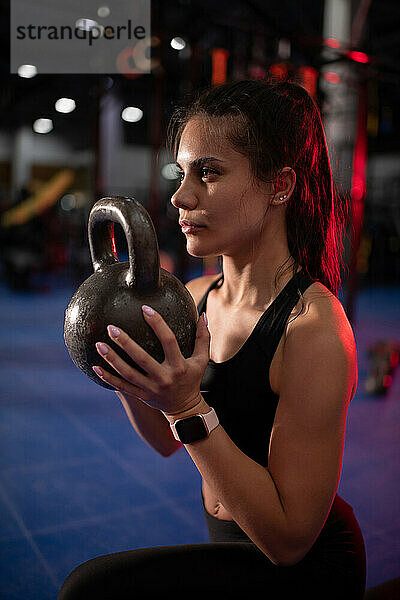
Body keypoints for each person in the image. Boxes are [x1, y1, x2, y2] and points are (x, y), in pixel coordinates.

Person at [58, 79, 366, 599]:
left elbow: (289, 542)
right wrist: (118, 364)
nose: (181, 195)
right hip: (230, 546)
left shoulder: (312, 328)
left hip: (305, 570)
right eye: (183, 173)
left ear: (280, 185)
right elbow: (162, 442)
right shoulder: (192, 298)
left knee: (89, 590)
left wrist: (185, 406)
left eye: (210, 172)